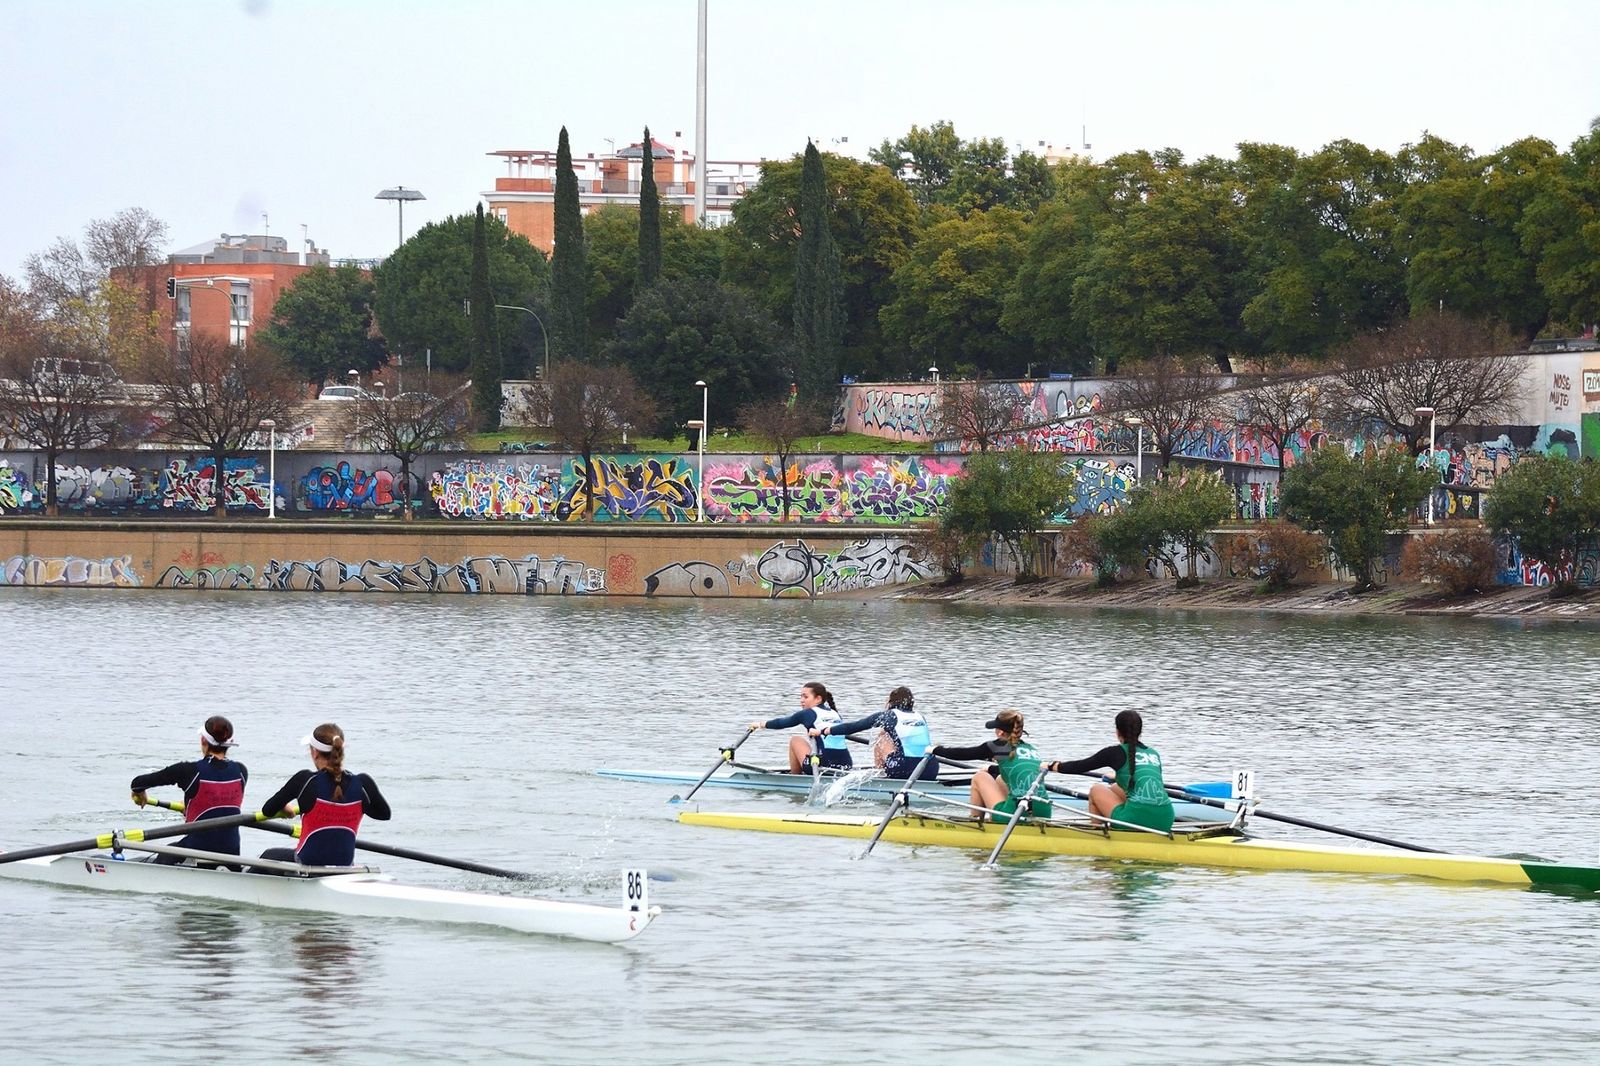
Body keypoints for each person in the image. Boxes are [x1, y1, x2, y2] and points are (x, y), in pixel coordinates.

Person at [255, 723, 391, 867]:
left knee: (267, 855)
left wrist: (285, 806)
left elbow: (267, 810)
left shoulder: (304, 780)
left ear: (314, 752)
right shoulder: (363, 783)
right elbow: (384, 814)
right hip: (344, 865)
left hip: (307, 864)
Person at [130, 716, 248, 864]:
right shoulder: (241, 772)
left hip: (197, 850)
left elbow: (137, 783)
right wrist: (192, 807)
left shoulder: (188, 771)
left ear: (203, 741)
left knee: (168, 851)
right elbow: (220, 801)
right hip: (231, 854)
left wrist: (139, 792)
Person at [1045, 710, 1173, 832]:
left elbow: (1081, 766)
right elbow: (1143, 778)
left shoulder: (1115, 753)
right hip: (1167, 818)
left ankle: (1097, 833)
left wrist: (1054, 766)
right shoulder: (1153, 753)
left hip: (1135, 819)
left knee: (1096, 789)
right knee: (1114, 787)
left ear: (1117, 732)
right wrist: (1118, 776)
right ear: (1139, 731)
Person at [931, 709, 1053, 822]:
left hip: (1017, 812)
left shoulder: (996, 746)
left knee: (980, 777)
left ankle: (975, 822)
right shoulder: (1031, 749)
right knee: (1000, 779)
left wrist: (936, 750)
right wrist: (991, 768)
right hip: (1045, 812)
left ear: (1000, 732)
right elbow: (1017, 769)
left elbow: (963, 754)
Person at [816, 686, 937, 782]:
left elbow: (854, 727)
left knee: (882, 737)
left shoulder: (888, 715)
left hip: (903, 769)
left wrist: (827, 730)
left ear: (891, 701)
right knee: (899, 741)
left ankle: (880, 777)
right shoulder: (921, 717)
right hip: (931, 768)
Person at [749, 681, 851, 774]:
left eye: (805, 697)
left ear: (818, 699)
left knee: (795, 740)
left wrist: (760, 724)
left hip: (820, 765)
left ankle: (794, 776)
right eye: (801, 697)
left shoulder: (807, 713)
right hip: (846, 764)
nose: (801, 700)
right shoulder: (835, 713)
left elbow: (781, 723)